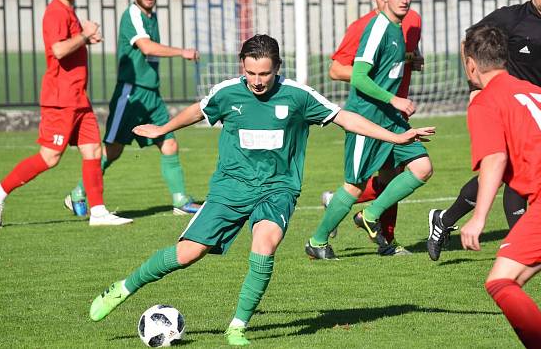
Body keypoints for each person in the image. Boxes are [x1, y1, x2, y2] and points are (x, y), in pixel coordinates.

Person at [88, 34, 435, 346]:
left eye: (264, 74)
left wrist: (397, 136)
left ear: (277, 68)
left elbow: (345, 118)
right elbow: (199, 111)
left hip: (278, 189)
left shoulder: (298, 96)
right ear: (243, 67)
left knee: (264, 245)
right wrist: (162, 127)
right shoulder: (228, 92)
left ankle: (237, 327)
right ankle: (122, 288)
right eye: (251, 73)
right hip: (230, 188)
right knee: (188, 254)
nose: (256, 81)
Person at [427, 0, 541, 261]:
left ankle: (444, 219)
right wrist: (474, 85)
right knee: (512, 171)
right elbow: (469, 41)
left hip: (533, 107)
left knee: (507, 173)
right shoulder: (510, 17)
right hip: (504, 105)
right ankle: (522, 246)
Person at [460, 24, 541, 348]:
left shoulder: (485, 102)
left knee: (501, 281)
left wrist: (479, 217)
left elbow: (495, 159)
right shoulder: (537, 92)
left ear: (471, 64)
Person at [0, 0, 132, 228]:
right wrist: (83, 35)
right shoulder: (55, 12)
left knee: (93, 150)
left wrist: (86, 39)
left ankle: (98, 211)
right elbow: (58, 50)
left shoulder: (69, 10)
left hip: (79, 97)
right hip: (61, 100)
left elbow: (67, 44)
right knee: (50, 157)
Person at [305, 0, 433, 260]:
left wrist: (411, 59)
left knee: (421, 168)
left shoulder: (399, 27)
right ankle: (316, 242)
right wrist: (394, 98)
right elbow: (359, 77)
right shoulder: (375, 29)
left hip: (391, 118)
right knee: (354, 186)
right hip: (366, 118)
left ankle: (371, 216)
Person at [64, 0, 201, 217]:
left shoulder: (151, 16)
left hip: (151, 94)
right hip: (131, 93)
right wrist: (181, 51)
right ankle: (79, 192)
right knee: (113, 149)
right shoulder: (132, 14)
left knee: (169, 143)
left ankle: (180, 200)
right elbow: (146, 47)